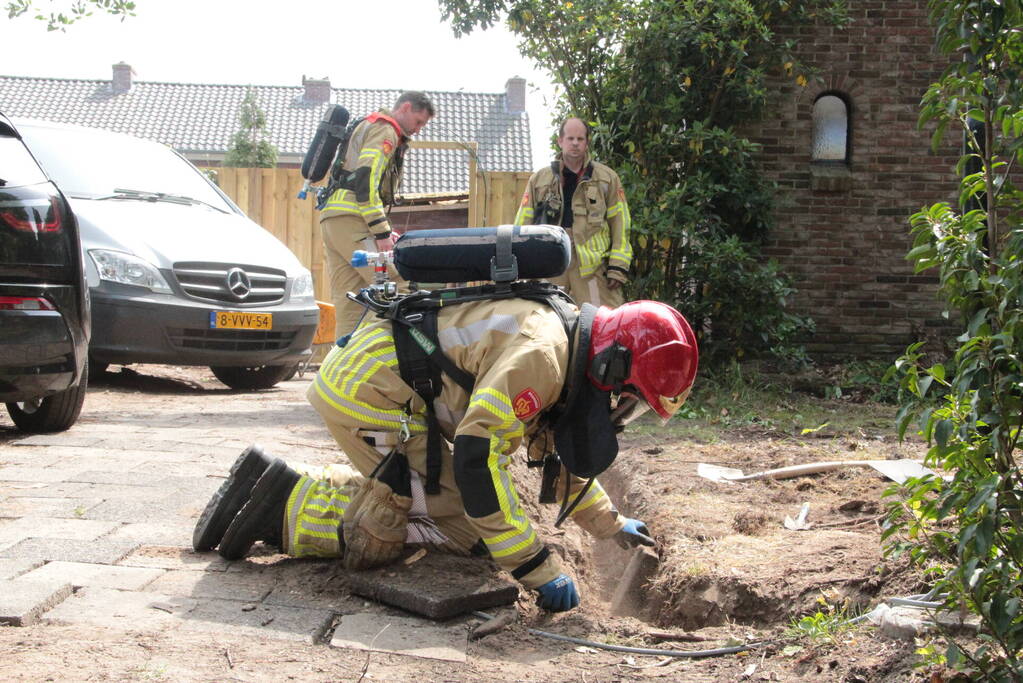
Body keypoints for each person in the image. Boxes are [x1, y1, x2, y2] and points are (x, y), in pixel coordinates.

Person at [194, 297, 697, 613]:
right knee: (453, 523)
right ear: (611, 367)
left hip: (393, 393)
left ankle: (292, 482)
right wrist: (535, 567)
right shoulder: (542, 357)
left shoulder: (567, 348)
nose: (621, 415)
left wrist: (610, 523)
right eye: (629, 403)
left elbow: (552, 451)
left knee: (469, 529)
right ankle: (283, 506)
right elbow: (477, 459)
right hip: (369, 394)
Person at [319, 90, 434, 338]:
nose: (418, 129)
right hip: (353, 218)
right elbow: (365, 181)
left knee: (351, 305)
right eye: (418, 121)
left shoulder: (367, 124)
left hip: (333, 218)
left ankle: (343, 373)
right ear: (404, 108)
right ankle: (400, 364)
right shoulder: (386, 130)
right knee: (397, 286)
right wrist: (381, 231)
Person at [514, 117, 632, 308]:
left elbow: (621, 224)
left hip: (592, 267)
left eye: (580, 139)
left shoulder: (607, 179)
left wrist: (617, 267)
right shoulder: (539, 179)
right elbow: (522, 223)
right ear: (560, 141)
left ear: (586, 143)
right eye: (570, 138)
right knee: (547, 323)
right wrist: (522, 265)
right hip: (550, 262)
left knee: (601, 324)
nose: (575, 143)